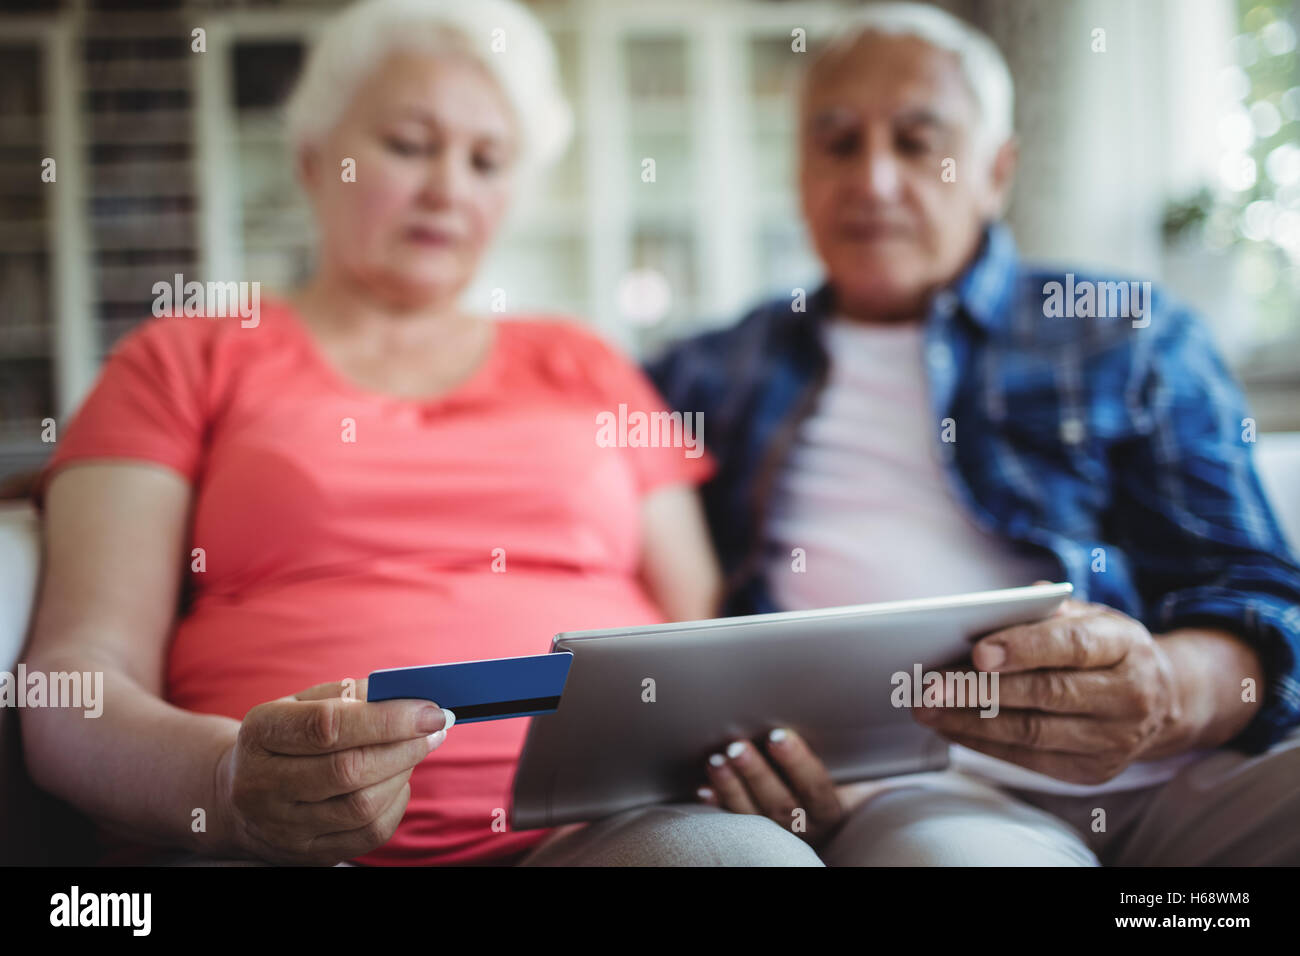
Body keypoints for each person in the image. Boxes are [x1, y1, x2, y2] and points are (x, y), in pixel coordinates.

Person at [21, 0, 825, 867]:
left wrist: (771, 755)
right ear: (312, 158)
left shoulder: (584, 362)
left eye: (489, 161)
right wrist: (223, 784)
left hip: (600, 835)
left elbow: (702, 635)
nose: (449, 188)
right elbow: (77, 682)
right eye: (408, 145)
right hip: (264, 847)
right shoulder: (184, 356)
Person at [647, 2, 1300, 865]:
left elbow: (1261, 596)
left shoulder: (1126, 331)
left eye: (918, 142)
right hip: (921, 788)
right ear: (799, 173)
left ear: (996, 170)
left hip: (1192, 767)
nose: (873, 180)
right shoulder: (705, 375)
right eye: (837, 143)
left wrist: (1168, 695)